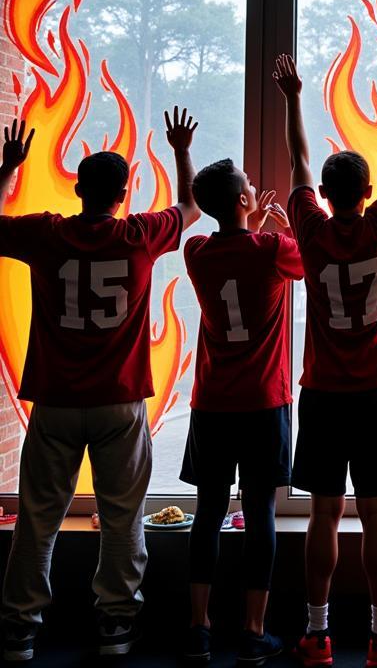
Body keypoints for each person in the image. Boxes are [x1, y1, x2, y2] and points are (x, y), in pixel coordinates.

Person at [0, 110, 200, 662]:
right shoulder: (139, 236)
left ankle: (19, 627)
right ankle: (115, 621)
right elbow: (190, 207)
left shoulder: (46, 233)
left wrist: (8, 171)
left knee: (38, 519)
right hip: (119, 400)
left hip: (57, 402)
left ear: (78, 188)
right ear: (123, 192)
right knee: (122, 517)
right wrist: (181, 149)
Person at [274, 41, 377, 668]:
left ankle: (316, 636)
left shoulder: (309, 230)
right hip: (372, 393)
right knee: (376, 518)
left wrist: (292, 99)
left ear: (328, 195)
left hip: (322, 393)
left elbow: (300, 160)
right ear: (368, 192)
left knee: (321, 518)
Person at [180, 159, 303, 665]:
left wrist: (247, 219)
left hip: (212, 402)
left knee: (207, 514)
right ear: (243, 202)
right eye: (250, 187)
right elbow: (310, 255)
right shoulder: (273, 251)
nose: (256, 188)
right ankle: (254, 632)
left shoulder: (197, 252)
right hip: (262, 401)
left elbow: (222, 239)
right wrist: (281, 224)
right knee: (261, 515)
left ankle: (198, 628)